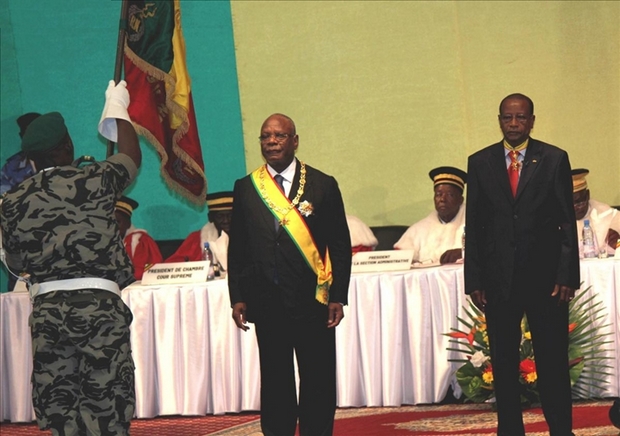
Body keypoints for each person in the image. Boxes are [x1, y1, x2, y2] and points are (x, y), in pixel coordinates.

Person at [0, 80, 140, 436]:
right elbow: (130, 158)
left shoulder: (13, 201)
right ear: (67, 146)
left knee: (60, 409)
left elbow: (16, 264)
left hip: (48, 314)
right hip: (100, 310)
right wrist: (117, 110)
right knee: (107, 407)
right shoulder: (94, 179)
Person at [228, 113, 352, 436]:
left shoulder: (323, 184)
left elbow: (340, 245)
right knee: (276, 381)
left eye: (279, 136)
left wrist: (338, 295)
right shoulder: (245, 188)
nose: (271, 141)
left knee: (318, 379)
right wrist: (238, 296)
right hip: (267, 303)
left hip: (314, 302)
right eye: (265, 136)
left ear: (295, 141)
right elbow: (237, 249)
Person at [465, 93, 579, 436]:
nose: (514, 124)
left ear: (532, 120)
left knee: (552, 360)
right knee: (503, 360)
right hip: (499, 281)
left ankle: (561, 430)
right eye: (507, 118)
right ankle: (510, 430)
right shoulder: (480, 161)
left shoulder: (554, 159)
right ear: (499, 120)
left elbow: (566, 222)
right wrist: (475, 279)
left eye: (521, 118)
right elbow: (476, 225)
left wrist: (567, 275)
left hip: (546, 281)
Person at [394, 166, 467, 264]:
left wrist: (463, 253)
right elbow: (398, 259)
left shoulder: (476, 224)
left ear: (460, 200)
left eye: (450, 195)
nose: (442, 199)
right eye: (438, 194)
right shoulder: (419, 229)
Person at [164, 191, 233, 271]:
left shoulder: (248, 237)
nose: (226, 221)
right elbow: (172, 266)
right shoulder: (196, 239)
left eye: (230, 216)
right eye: (220, 217)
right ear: (210, 218)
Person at [571, 168, 620, 257]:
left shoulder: (608, 215)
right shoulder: (555, 220)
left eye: (579, 202)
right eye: (569, 204)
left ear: (587, 195)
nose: (575, 208)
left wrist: (616, 245)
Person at [115, 195, 163, 279]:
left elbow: (149, 270)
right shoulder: (103, 242)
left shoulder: (140, 241)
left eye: (118, 222)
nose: (113, 226)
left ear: (128, 222)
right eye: (109, 222)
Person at [0, 112, 41, 195]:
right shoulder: (12, 166)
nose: (31, 137)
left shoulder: (57, 156)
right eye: (27, 133)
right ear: (21, 136)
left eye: (34, 132)